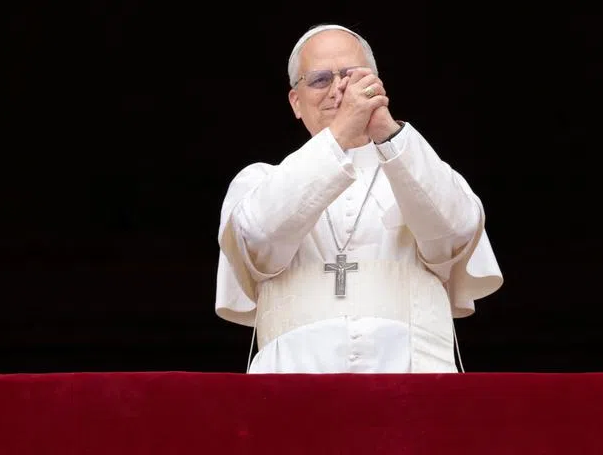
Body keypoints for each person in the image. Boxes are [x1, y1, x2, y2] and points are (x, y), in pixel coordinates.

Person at [215, 23, 502, 373]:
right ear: (295, 101)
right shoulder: (257, 180)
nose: (339, 90)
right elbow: (259, 235)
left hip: (413, 376)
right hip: (291, 377)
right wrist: (340, 134)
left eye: (352, 77)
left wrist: (385, 131)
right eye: (321, 79)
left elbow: (456, 232)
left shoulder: (423, 167)